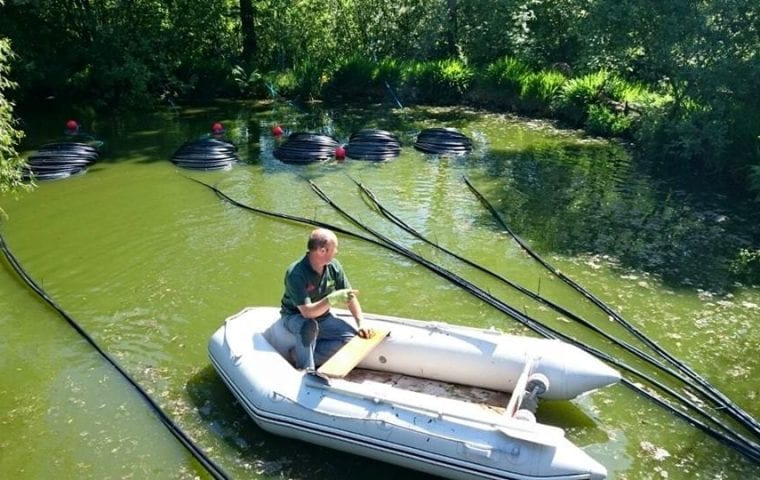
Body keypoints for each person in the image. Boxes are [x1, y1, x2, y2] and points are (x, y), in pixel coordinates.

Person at [277, 228, 373, 371]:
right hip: (295, 317)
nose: (337, 252)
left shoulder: (334, 266)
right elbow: (307, 313)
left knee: (351, 340)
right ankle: (306, 370)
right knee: (308, 326)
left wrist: (361, 322)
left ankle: (302, 355)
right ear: (322, 251)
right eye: (334, 248)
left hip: (323, 316)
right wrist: (330, 299)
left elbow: (349, 296)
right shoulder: (295, 274)